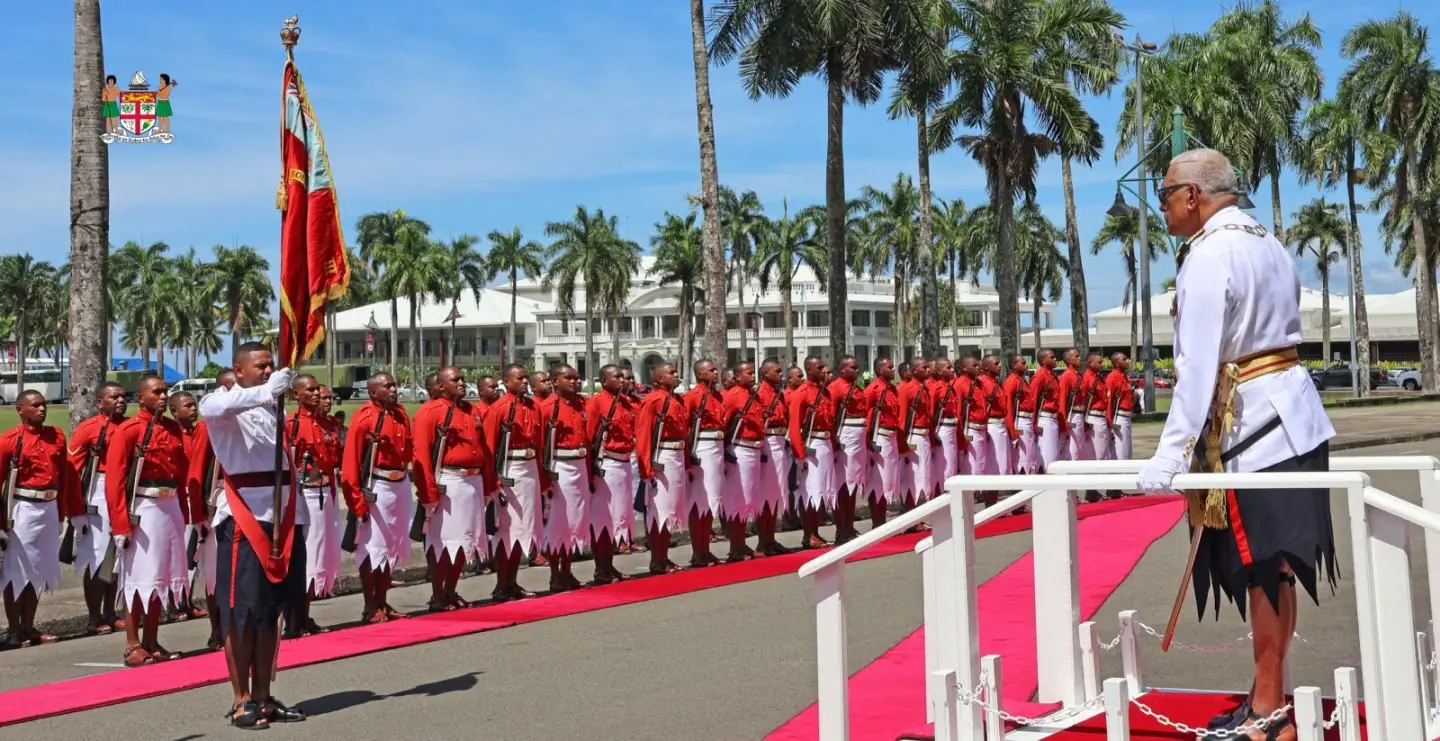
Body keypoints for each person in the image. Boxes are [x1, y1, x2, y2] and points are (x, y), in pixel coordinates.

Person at [1139, 148, 1335, 740]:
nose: (1164, 205)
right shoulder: (1266, 242)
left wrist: (1169, 456)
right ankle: (1266, 699)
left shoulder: (1209, 254)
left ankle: (1269, 712)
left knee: (1262, 567)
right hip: (1293, 414)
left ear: (1195, 195)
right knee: (1276, 569)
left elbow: (1197, 367)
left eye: (1166, 193)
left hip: (1255, 429)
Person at [196, 343, 305, 727]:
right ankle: (242, 699)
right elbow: (212, 407)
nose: (269, 371)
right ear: (239, 371)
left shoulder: (272, 408)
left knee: (270, 611)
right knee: (241, 613)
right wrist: (264, 391)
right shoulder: (223, 404)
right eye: (260, 366)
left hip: (279, 515)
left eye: (271, 366)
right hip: (244, 518)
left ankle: (264, 695)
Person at [106, 376, 191, 666]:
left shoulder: (172, 429)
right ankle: (133, 645)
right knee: (137, 579)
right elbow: (115, 481)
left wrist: (186, 514)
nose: (164, 396)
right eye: (157, 392)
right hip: (143, 506)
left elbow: (181, 474)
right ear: (140, 398)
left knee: (160, 578)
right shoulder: (129, 431)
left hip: (170, 506)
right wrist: (120, 525)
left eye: (166, 391)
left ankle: (152, 641)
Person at [0, 391, 75, 648]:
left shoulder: (56, 436)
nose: (42, 409)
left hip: (50, 506)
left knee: (39, 570)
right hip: (23, 508)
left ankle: (29, 626)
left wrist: (62, 512)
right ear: (20, 409)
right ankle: (13, 630)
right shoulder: (9, 441)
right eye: (35, 405)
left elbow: (63, 475)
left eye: (43, 405)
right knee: (16, 571)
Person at [340, 373, 413, 622]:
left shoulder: (401, 414)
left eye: (394, 384)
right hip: (376, 485)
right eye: (387, 386)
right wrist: (358, 502)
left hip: (400, 483)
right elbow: (350, 465)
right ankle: (371, 605)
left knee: (391, 547)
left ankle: (383, 600)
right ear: (373, 393)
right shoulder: (364, 418)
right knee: (371, 548)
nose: (394, 389)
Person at [412, 367, 485, 609]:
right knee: (442, 542)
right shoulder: (429, 413)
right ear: (441, 386)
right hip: (449, 481)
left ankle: (451, 590)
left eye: (463, 378)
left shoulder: (470, 409)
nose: (462, 383)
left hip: (473, 481)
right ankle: (438, 593)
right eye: (456, 380)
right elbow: (421, 456)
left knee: (465, 540)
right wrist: (428, 494)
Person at [66, 382, 127, 635]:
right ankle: (94, 616)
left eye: (123, 396)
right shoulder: (89, 429)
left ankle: (111, 613)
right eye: (114, 397)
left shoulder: (129, 426)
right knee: (97, 557)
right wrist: (76, 510)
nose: (121, 401)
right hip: (98, 489)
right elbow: (73, 471)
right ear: (100, 402)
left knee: (118, 557)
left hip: (123, 487)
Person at [480, 364, 545, 600]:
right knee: (507, 530)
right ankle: (502, 584)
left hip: (529, 470)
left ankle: (513, 581)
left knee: (524, 529)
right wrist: (493, 482)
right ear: (506, 382)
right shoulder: (498, 409)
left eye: (526, 377)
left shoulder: (533, 407)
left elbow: (538, 445)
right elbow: (488, 448)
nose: (525, 381)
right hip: (508, 469)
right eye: (520, 378)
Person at [286, 375, 342, 634]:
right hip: (304, 495)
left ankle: (305, 615)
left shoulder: (326, 424)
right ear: (296, 395)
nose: (317, 394)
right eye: (310, 390)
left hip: (325, 494)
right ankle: (295, 619)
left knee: (321, 555)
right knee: (305, 557)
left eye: (317, 390)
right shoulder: (292, 424)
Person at [537, 365, 590, 590]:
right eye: (568, 378)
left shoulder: (581, 404)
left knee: (574, 521)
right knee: (558, 524)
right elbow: (541, 446)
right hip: (560, 466)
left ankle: (567, 571)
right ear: (554, 381)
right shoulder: (547, 408)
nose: (574, 382)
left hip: (580, 465)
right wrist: (545, 478)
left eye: (576, 378)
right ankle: (555, 574)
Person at [634, 363, 689, 573]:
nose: (676, 376)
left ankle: (664, 557)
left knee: (670, 511)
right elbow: (644, 436)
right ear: (657, 379)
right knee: (659, 512)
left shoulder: (675, 400)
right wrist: (646, 469)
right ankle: (657, 559)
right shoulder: (653, 401)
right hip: (662, 457)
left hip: (676, 456)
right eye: (671, 373)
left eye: (676, 372)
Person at [182, 391, 226, 651]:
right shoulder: (206, 427)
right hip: (218, 498)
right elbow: (196, 474)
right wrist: (199, 516)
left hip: (246, 497)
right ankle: (217, 630)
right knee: (215, 571)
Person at [586, 365, 636, 582]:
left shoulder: (625, 403)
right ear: (604, 381)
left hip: (624, 463)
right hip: (607, 463)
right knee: (603, 519)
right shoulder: (596, 402)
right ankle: (601, 568)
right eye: (617, 377)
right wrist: (590, 473)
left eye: (623, 377)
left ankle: (610, 565)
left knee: (618, 517)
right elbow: (589, 438)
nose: (622, 380)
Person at [168, 392, 209, 621]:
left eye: (195, 405)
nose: (193, 409)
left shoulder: (200, 432)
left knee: (193, 553)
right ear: (174, 411)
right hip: (180, 497)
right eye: (188, 406)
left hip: (198, 497)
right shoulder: (173, 435)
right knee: (180, 552)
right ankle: (174, 603)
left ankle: (187, 600)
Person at [789, 356, 836, 548]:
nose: (824, 370)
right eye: (820, 367)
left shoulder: (824, 392)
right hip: (811, 444)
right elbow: (794, 426)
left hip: (825, 444)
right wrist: (800, 454)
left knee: (821, 490)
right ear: (809, 369)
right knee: (809, 492)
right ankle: (808, 534)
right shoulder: (802, 393)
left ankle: (815, 532)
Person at [720, 362, 764, 561]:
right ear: (737, 376)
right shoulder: (732, 396)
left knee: (748, 500)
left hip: (754, 448)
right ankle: (736, 546)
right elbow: (724, 424)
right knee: (738, 500)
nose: (753, 376)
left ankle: (742, 544)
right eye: (749, 373)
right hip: (740, 448)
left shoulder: (753, 395)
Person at [683, 360, 726, 567]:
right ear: (700, 375)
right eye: (710, 370)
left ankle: (705, 549)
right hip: (702, 447)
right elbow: (686, 427)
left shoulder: (717, 396)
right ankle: (698, 551)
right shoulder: (693, 397)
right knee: (699, 500)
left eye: (715, 369)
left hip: (717, 447)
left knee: (710, 501)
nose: (715, 373)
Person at [827, 355, 867, 543]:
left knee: (853, 482)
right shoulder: (835, 389)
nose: (857, 371)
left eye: (858, 367)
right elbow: (831, 416)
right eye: (853, 367)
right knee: (843, 484)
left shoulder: (856, 388)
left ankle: (849, 526)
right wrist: (835, 442)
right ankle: (841, 529)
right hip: (845, 437)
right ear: (842, 370)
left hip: (858, 437)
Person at [753, 360, 790, 555]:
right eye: (776, 371)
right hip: (768, 442)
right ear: (765, 373)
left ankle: (771, 538)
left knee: (775, 493)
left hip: (780, 441)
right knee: (765, 495)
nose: (781, 373)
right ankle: (763, 540)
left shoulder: (778, 393)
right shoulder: (760, 394)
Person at [862, 358, 900, 527]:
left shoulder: (892, 389)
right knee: (877, 480)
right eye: (889, 367)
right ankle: (877, 521)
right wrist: (868, 441)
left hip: (892, 437)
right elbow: (866, 414)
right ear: (879, 370)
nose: (893, 370)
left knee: (890, 479)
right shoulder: (873, 389)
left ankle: (884, 519)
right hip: (879, 437)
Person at [896, 358, 934, 516]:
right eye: (924, 368)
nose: (928, 370)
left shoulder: (922, 388)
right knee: (912, 478)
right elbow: (903, 417)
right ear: (914, 370)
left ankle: (917, 515)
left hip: (924, 436)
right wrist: (903, 443)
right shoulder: (907, 389)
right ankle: (910, 515)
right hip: (913, 435)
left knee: (922, 476)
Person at [957, 357, 992, 504]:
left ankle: (978, 494)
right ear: (964, 368)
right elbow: (959, 412)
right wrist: (961, 436)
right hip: (970, 428)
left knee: (981, 464)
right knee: (970, 465)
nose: (979, 367)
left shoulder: (979, 384)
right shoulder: (960, 384)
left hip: (982, 428)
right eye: (975, 365)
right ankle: (968, 497)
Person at [927, 358, 961, 498]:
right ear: (940, 371)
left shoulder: (950, 387)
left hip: (951, 429)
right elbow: (931, 412)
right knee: (944, 467)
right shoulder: (937, 388)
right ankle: (942, 500)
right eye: (948, 367)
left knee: (952, 465)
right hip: (942, 429)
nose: (952, 370)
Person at [1028, 350, 1062, 474]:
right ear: (1043, 361)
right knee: (1046, 454)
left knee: (1054, 454)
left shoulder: (1052, 376)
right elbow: (1034, 400)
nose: (1055, 359)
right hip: (1044, 418)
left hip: (1053, 419)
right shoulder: (1040, 375)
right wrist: (1034, 424)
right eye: (1052, 357)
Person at [1055, 349, 1088, 462]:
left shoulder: (1078, 375)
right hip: (1072, 415)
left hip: (1080, 415)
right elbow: (1062, 400)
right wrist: (1063, 421)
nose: (1079, 358)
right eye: (1076, 356)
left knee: (1079, 448)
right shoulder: (1067, 376)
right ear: (1069, 360)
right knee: (1072, 449)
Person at [1001, 355, 1032, 473]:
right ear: (1014, 366)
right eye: (1023, 363)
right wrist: (1012, 431)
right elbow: (1008, 407)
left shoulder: (1021, 380)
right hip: (1020, 421)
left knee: (1029, 456)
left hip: (1027, 420)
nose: (1026, 365)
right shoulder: (1012, 381)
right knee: (1021, 458)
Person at [1082, 352, 1113, 462]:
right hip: (1093, 417)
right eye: (1099, 362)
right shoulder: (1087, 378)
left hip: (1101, 418)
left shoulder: (1099, 378)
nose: (1102, 364)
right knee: (1097, 452)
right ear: (1090, 363)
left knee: (1104, 451)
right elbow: (1084, 399)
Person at [1106, 353, 1135, 463]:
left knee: (1127, 451)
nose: (1127, 360)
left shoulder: (1124, 377)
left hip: (1127, 417)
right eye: (1124, 359)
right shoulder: (1112, 377)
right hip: (1119, 417)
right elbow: (1109, 401)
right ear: (1117, 363)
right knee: (1120, 451)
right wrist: (1110, 422)